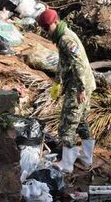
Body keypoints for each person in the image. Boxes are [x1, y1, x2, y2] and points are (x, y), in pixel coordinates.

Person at [37, 9, 96, 173]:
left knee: (67, 125)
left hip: (78, 86)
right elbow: (65, 62)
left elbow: (78, 64)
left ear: (54, 23)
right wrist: (57, 81)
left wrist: (81, 88)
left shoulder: (65, 39)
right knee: (82, 122)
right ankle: (86, 158)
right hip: (80, 84)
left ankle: (67, 164)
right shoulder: (63, 35)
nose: (46, 32)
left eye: (47, 28)